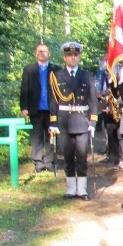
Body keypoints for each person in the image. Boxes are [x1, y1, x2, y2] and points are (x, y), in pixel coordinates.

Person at [48, 42, 97, 200]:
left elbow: (92, 100)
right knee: (68, 155)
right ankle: (70, 188)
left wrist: (94, 122)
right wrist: (53, 123)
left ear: (79, 57)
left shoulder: (87, 76)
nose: (73, 57)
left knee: (82, 155)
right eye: (69, 55)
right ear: (64, 57)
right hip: (64, 121)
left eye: (75, 55)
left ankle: (81, 189)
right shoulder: (56, 76)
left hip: (82, 121)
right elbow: (53, 101)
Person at [20, 43, 58, 172]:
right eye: (40, 51)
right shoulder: (29, 69)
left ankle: (49, 161)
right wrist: (24, 107)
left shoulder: (56, 69)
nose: (42, 53)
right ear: (35, 53)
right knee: (36, 136)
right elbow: (24, 89)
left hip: (52, 108)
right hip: (35, 108)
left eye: (45, 51)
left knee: (51, 135)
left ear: (49, 54)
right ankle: (38, 162)